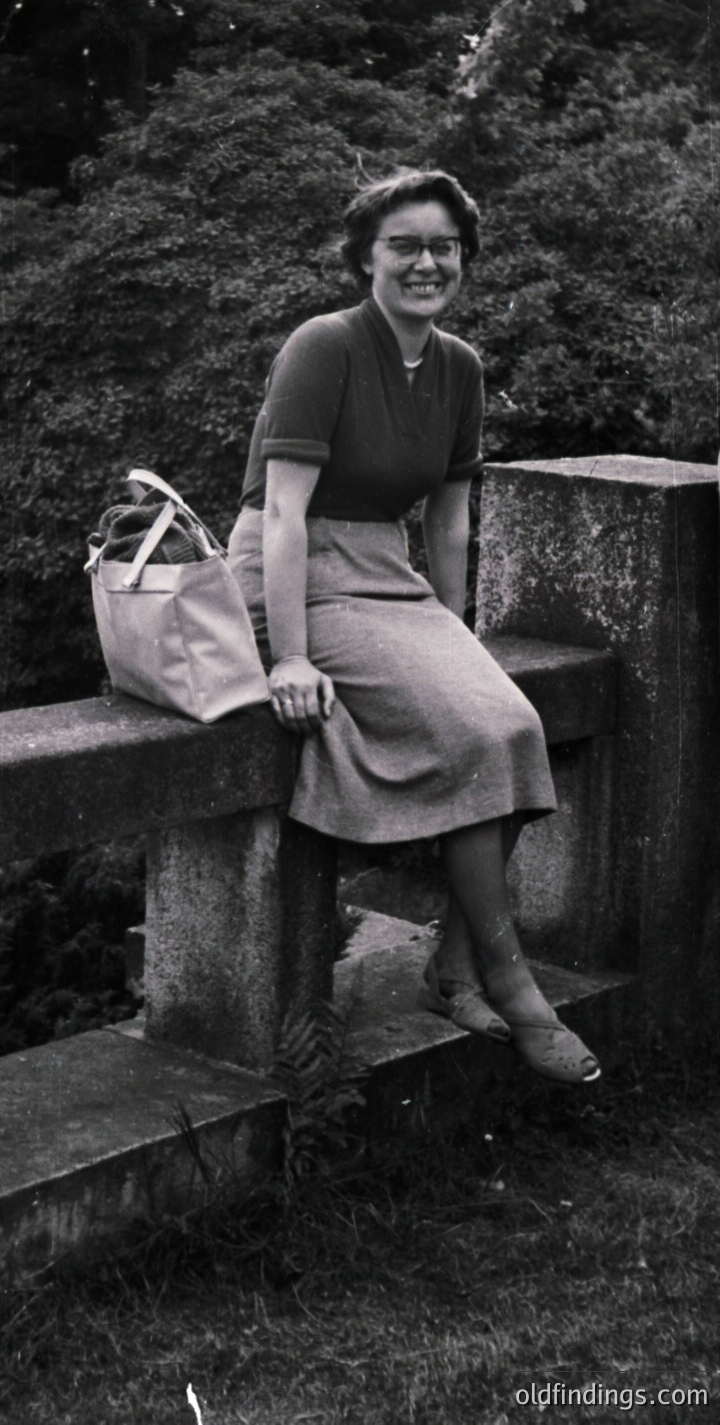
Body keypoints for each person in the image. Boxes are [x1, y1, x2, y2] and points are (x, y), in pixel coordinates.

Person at [227, 167, 600, 1084]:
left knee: (508, 720)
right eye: (403, 245)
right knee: (472, 729)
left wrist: (454, 632)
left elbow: (447, 520)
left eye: (443, 245)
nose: (425, 262)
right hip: (298, 573)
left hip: (390, 581)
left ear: (463, 258)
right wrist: (291, 656)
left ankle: (453, 963)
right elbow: (280, 516)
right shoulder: (323, 344)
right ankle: (510, 984)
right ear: (365, 257)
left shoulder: (460, 366)